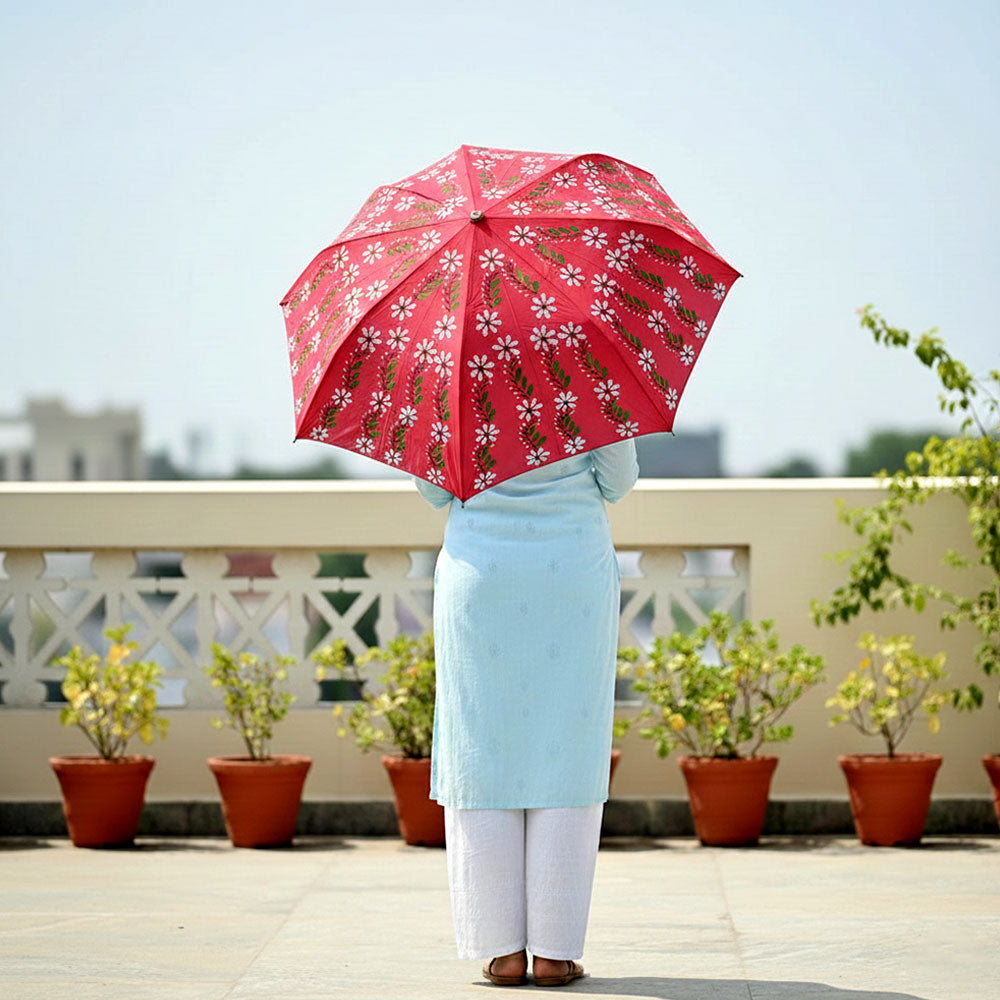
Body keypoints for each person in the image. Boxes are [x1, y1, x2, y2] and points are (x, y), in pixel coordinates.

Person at [414, 439, 639, 987]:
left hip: (482, 573)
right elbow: (618, 481)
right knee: (569, 745)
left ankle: (503, 952)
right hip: (570, 576)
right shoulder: (589, 363)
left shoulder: (454, 370)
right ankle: (555, 954)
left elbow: (432, 488)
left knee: (480, 746)